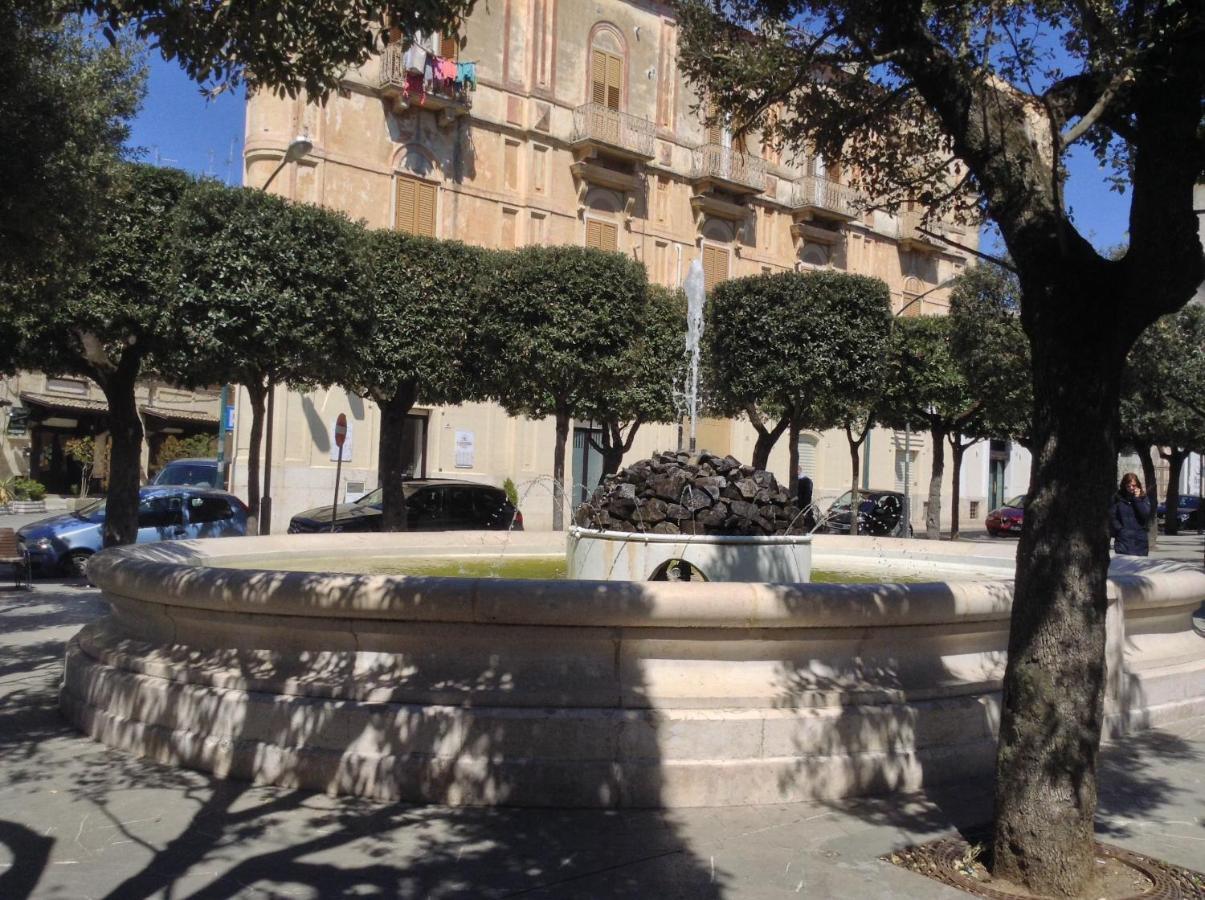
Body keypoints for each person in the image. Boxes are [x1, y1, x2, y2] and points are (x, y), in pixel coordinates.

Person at [1110, 472, 1151, 556]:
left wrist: (1137, 499)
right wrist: (1120, 529)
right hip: (1123, 539)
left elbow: (1146, 515)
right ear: (1124, 486)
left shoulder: (1143, 498)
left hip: (1139, 539)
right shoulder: (1118, 498)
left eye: (1133, 485)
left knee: (1139, 567)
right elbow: (1112, 516)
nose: (1131, 488)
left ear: (1137, 485)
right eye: (1128, 486)